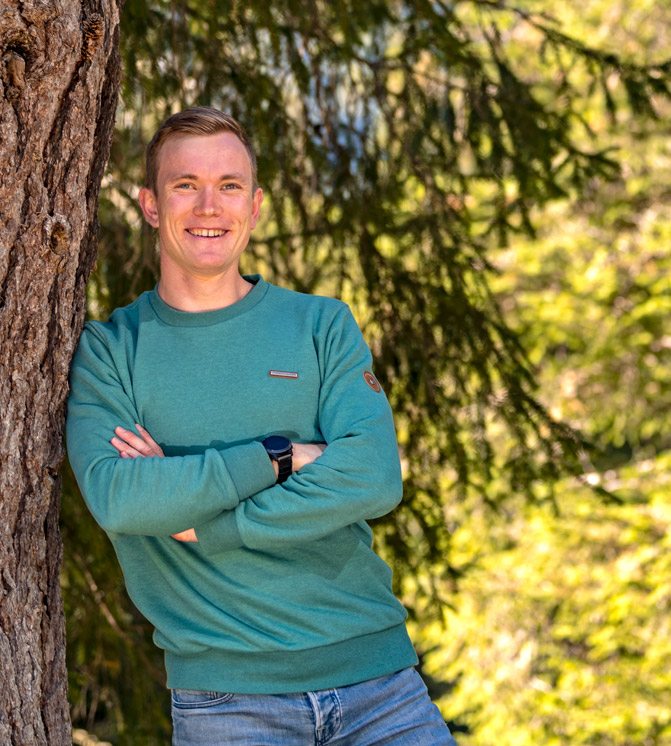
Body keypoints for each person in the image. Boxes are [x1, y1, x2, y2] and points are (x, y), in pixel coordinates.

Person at [65, 107, 456, 745]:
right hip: (228, 704)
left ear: (255, 204)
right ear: (150, 205)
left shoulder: (322, 326)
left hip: (380, 686)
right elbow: (120, 497)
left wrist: (207, 521)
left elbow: (373, 477)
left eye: (230, 186)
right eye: (185, 185)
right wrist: (281, 455)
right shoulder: (112, 350)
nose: (208, 206)